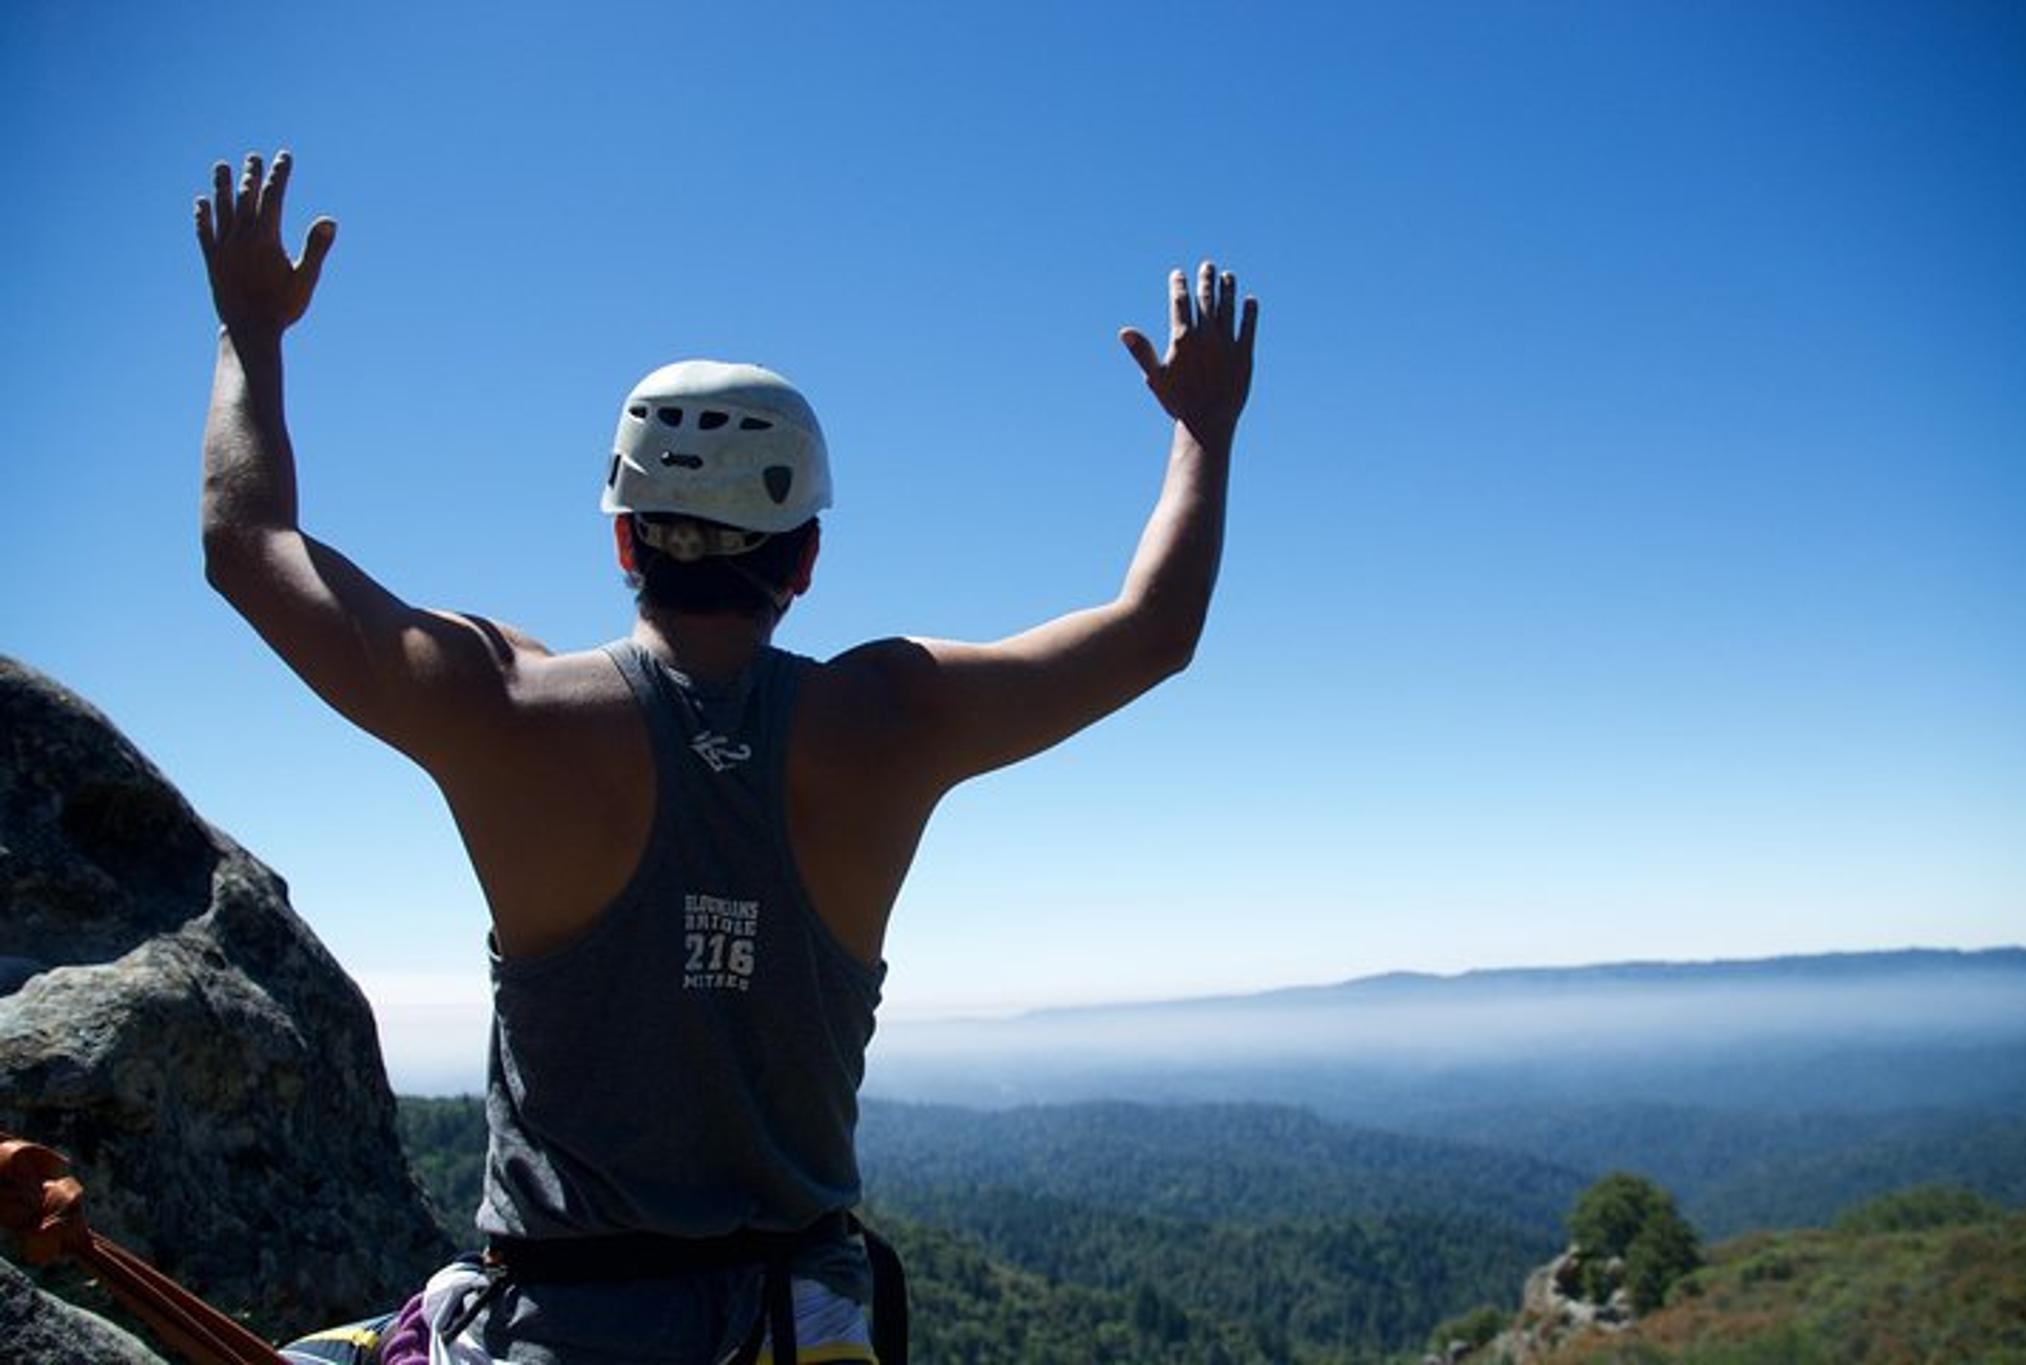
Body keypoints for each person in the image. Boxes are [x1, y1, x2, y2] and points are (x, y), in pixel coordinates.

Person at [195, 149, 1257, 1365]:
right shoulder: (891, 718)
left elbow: (247, 542)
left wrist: (250, 332)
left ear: (620, 539)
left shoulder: (505, 708)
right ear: (803, 559)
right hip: (798, 1326)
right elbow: (1152, 632)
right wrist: (1203, 432)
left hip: (570, 1320)